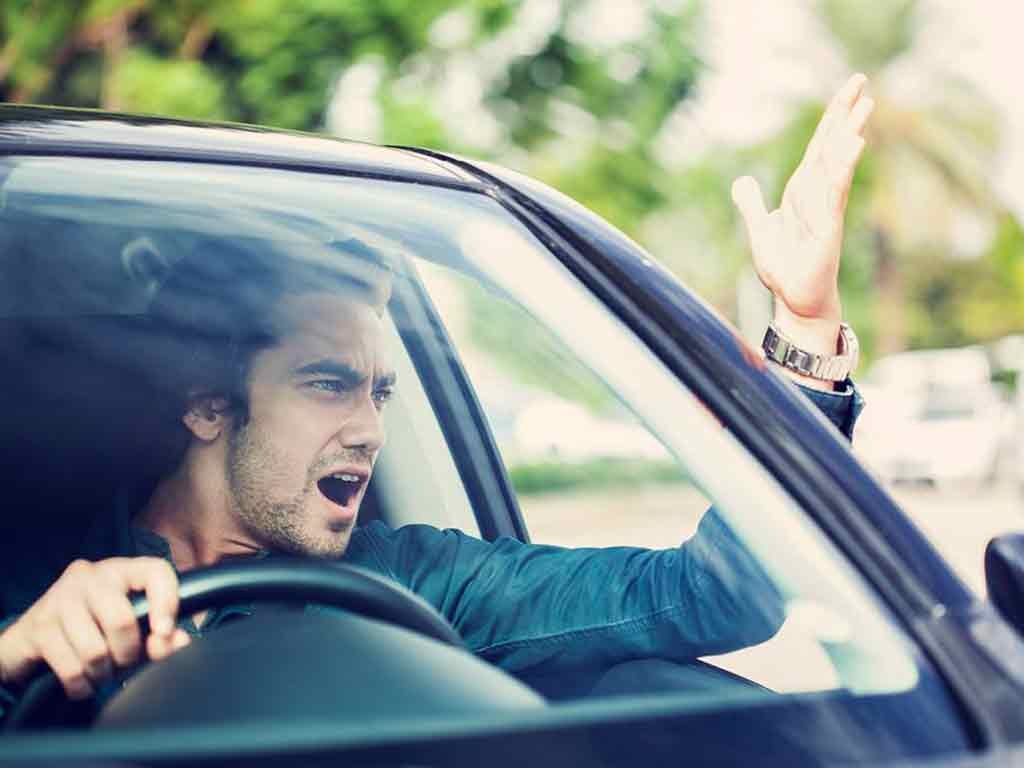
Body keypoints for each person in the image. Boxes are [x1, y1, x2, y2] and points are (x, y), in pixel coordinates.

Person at [0, 74, 873, 714]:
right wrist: (13, 657)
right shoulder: (38, 581)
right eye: (329, 383)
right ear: (206, 404)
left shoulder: (419, 583)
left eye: (380, 392)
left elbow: (714, 594)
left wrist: (803, 332)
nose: (370, 428)